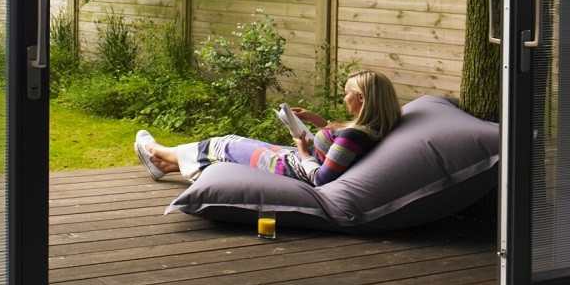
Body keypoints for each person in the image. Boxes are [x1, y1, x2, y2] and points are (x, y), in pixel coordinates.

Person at [134, 70, 401, 187]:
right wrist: (316, 122)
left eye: (347, 94)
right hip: (295, 161)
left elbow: (321, 179)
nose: (344, 98)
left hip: (292, 169)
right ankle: (165, 165)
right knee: (229, 142)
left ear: (363, 98)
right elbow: (339, 145)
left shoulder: (356, 136)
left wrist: (303, 150)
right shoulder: (375, 126)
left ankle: (154, 150)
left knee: (223, 145)